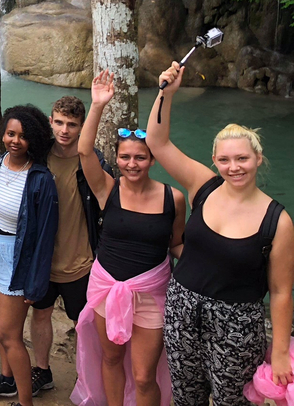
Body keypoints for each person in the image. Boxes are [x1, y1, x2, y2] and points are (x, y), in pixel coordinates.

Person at [146, 61, 294, 406]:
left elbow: (281, 291)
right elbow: (157, 140)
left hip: (238, 323)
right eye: (225, 160)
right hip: (183, 310)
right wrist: (166, 94)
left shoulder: (278, 221)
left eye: (242, 158)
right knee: (186, 397)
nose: (234, 167)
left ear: (258, 159)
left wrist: (282, 351)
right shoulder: (204, 187)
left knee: (233, 401)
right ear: (214, 160)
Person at [71, 71, 186, 406]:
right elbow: (84, 151)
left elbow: (176, 244)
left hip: (151, 293)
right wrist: (97, 106)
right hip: (107, 287)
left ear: (152, 159)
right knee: (110, 359)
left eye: (140, 157)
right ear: (117, 159)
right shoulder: (109, 189)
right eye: (125, 157)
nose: (132, 164)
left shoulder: (173, 198)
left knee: (143, 375)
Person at [0, 105, 58, 406]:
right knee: (1, 325)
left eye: (23, 136)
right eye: (10, 134)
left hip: (17, 257)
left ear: (34, 139)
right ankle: (6, 377)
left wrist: (35, 282)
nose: (15, 141)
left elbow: (45, 236)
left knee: (10, 335)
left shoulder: (41, 179)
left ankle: (25, 402)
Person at [30, 94, 111, 393]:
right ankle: (42, 370)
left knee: (84, 323)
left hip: (81, 261)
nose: (65, 130)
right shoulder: (37, 157)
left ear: (81, 127)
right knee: (40, 314)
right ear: (50, 122)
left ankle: (86, 376)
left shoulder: (93, 161)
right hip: (44, 260)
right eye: (60, 123)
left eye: (72, 125)